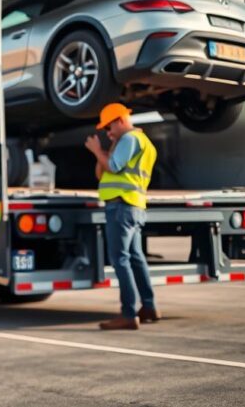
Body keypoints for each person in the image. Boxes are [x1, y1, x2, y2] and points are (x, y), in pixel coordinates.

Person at [85, 102, 161, 331]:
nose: (107, 133)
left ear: (120, 120)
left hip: (121, 206)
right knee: (136, 258)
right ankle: (148, 307)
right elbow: (101, 173)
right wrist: (107, 150)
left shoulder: (130, 139)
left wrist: (97, 151)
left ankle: (128, 314)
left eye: (109, 128)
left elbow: (114, 167)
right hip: (134, 206)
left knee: (120, 259)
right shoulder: (141, 143)